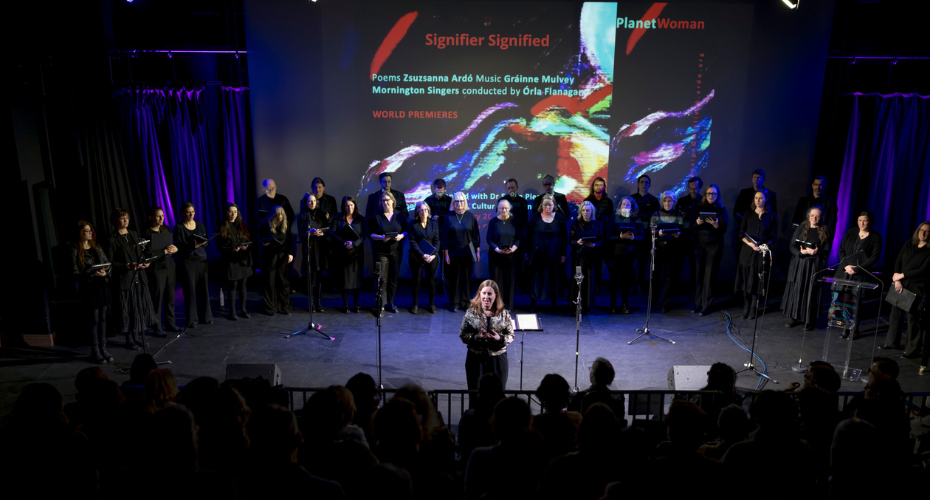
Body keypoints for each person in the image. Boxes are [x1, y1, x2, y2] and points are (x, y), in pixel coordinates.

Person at [108, 208, 157, 349]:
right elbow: (111, 262)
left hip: (139, 276)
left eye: (127, 218)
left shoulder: (134, 234)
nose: (126, 220)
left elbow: (139, 253)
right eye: (123, 218)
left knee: (138, 308)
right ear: (116, 220)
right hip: (125, 278)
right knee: (127, 309)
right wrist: (127, 266)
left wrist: (145, 261)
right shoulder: (112, 238)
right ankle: (129, 339)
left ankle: (137, 337)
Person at [832, 210, 883, 339]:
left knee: (856, 303)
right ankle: (845, 328)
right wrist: (846, 266)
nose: (862, 223)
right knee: (845, 301)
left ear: (870, 221)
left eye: (865, 220)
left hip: (860, 274)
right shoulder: (851, 232)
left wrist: (858, 268)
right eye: (860, 220)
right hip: (845, 272)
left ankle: (855, 329)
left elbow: (874, 257)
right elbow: (842, 249)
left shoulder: (876, 236)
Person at [883, 222, 929, 361]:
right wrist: (896, 279)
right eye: (921, 230)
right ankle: (891, 343)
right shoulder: (910, 244)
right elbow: (899, 261)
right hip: (900, 284)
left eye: (927, 232)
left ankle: (912, 350)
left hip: (917, 286)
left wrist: (902, 276)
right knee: (895, 314)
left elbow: (923, 269)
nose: (923, 234)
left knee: (913, 319)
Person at [781, 206, 831, 330]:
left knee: (811, 291)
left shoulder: (825, 230)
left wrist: (815, 253)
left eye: (817, 216)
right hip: (800, 263)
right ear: (808, 216)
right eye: (812, 215)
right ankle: (794, 316)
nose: (815, 218)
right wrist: (801, 253)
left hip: (814, 265)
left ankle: (809, 319)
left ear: (821, 217)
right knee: (797, 289)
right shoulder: (801, 227)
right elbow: (792, 245)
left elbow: (826, 249)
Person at [460, 280, 515, 391]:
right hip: (476, 359)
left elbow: (511, 335)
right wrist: (476, 337)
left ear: (496, 295)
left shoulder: (504, 313)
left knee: (497, 395)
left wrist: (499, 338)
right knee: (476, 395)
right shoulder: (471, 313)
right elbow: (463, 335)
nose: (486, 297)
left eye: (490, 294)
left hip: (498, 359)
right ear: (480, 293)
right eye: (484, 293)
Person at [72, 221, 113, 363]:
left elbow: (108, 264)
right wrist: (91, 274)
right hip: (90, 288)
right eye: (86, 231)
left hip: (102, 285)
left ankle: (103, 348)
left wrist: (105, 273)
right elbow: (74, 273)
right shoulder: (75, 250)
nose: (90, 233)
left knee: (103, 318)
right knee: (94, 319)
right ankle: (94, 351)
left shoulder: (97, 247)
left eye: (91, 230)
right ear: (80, 233)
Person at [735, 191, 777, 319]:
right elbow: (741, 233)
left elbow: (773, 235)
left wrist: (765, 245)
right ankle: (746, 306)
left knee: (757, 281)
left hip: (761, 252)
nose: (758, 200)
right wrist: (751, 245)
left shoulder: (771, 216)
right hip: (748, 251)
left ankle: (754, 307)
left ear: (766, 199)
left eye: (761, 198)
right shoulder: (748, 214)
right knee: (746, 279)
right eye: (756, 198)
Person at [525, 194, 567, 312]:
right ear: (541, 205)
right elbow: (528, 235)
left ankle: (553, 304)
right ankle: (533, 303)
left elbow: (564, 237)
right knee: (536, 279)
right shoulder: (535, 217)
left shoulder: (559, 218)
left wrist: (563, 254)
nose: (547, 207)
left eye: (550, 204)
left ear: (554, 205)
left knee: (553, 279)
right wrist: (526, 252)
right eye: (545, 205)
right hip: (538, 254)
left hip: (554, 254)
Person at [174, 202, 213, 327]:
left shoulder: (200, 225)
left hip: (201, 260)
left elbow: (206, 242)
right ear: (182, 213)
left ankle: (205, 317)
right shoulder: (178, 227)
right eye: (188, 212)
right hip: (188, 261)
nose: (191, 214)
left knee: (203, 289)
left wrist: (202, 243)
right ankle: (192, 320)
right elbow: (179, 246)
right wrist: (191, 245)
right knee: (190, 291)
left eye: (193, 212)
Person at [369, 191, 408, 314]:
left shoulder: (400, 215)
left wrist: (401, 236)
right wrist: (381, 237)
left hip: (396, 251)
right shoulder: (376, 216)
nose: (385, 202)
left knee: (393, 278)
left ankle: (391, 303)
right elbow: (370, 234)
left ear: (392, 201)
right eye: (383, 201)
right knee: (382, 279)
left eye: (387, 200)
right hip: (381, 252)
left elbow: (406, 231)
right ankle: (381, 304)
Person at [144, 207, 180, 335]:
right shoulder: (147, 233)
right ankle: (157, 326)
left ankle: (170, 323)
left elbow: (170, 245)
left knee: (170, 297)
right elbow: (148, 253)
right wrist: (163, 252)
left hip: (169, 265)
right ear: (151, 217)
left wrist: (175, 249)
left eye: (162, 216)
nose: (161, 219)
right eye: (158, 216)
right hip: (157, 268)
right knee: (157, 298)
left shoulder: (166, 229)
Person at [692, 184, 727, 315]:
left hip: (714, 244)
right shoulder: (699, 207)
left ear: (717, 195)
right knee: (699, 274)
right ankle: (698, 302)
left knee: (709, 275)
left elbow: (724, 228)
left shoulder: (721, 208)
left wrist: (717, 225)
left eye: (713, 194)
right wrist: (697, 223)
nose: (711, 196)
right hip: (700, 244)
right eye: (708, 193)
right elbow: (692, 226)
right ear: (705, 195)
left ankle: (706, 304)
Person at [443, 191, 480, 312]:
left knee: (466, 279)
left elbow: (476, 236)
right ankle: (454, 303)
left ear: (465, 203)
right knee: (454, 280)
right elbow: (445, 238)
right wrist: (446, 254)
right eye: (456, 201)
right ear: (453, 203)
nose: (459, 204)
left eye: (461, 201)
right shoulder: (448, 217)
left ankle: (465, 303)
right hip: (453, 253)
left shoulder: (471, 216)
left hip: (468, 254)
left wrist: (477, 251)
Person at [606, 196, 642, 314]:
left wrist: (634, 238)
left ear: (632, 207)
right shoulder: (613, 218)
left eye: (628, 205)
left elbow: (643, 236)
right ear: (620, 206)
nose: (625, 207)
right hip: (614, 256)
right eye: (623, 205)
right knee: (614, 282)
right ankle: (613, 305)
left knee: (627, 283)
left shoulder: (636, 219)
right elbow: (607, 236)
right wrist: (619, 237)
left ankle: (625, 305)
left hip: (630, 257)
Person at [651, 191, 686, 313]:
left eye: (670, 201)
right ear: (662, 202)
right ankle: (653, 304)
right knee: (655, 278)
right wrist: (658, 233)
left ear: (674, 202)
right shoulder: (656, 213)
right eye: (665, 201)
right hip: (658, 249)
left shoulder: (678, 215)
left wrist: (678, 235)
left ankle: (665, 304)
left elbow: (683, 231)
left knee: (668, 279)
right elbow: (651, 230)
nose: (667, 203)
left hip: (672, 250)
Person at [217, 202, 253, 320]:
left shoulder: (241, 225)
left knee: (243, 285)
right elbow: (220, 246)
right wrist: (232, 249)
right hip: (231, 260)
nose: (233, 214)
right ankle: (232, 312)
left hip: (243, 259)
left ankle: (243, 310)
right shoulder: (222, 226)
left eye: (235, 212)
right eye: (230, 212)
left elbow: (248, 238)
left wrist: (245, 246)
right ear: (226, 213)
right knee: (232, 285)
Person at [297, 193, 331, 313]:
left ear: (317, 202)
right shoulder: (302, 216)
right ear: (305, 203)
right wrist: (309, 233)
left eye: (313, 201)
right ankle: (311, 303)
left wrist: (322, 233)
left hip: (321, 247)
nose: (312, 203)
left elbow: (328, 229)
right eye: (309, 201)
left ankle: (319, 302)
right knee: (311, 277)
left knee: (320, 277)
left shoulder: (321, 214)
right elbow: (301, 235)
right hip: (310, 248)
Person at [331, 196, 365, 313]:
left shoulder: (360, 219)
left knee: (356, 279)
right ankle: (345, 304)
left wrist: (354, 243)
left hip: (356, 253)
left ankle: (356, 303)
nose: (349, 208)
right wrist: (343, 242)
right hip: (343, 252)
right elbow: (332, 233)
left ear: (354, 206)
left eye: (351, 205)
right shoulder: (338, 218)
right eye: (346, 206)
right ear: (343, 206)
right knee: (344, 280)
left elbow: (363, 236)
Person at [569, 201, 604, 314]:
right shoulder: (575, 223)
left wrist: (594, 245)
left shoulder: (597, 224)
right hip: (578, 257)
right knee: (577, 282)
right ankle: (575, 306)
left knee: (589, 283)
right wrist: (577, 242)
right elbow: (571, 240)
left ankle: (587, 306)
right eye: (583, 210)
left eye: (587, 210)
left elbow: (602, 241)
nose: (585, 212)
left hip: (591, 258)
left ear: (591, 212)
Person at [259, 206, 294, 315]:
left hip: (282, 256)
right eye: (277, 216)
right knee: (270, 281)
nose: (280, 218)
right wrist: (262, 242)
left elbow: (289, 240)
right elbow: (259, 238)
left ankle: (283, 307)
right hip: (269, 256)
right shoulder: (265, 223)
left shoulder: (285, 224)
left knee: (283, 282)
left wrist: (291, 253)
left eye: (281, 215)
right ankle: (270, 307)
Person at [486, 198, 521, 310]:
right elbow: (489, 238)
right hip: (496, 256)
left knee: (509, 282)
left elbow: (519, 237)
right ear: (498, 209)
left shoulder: (515, 221)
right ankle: (496, 305)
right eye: (501, 208)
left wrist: (514, 248)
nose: (503, 210)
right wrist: (497, 249)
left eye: (506, 208)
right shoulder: (493, 222)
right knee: (496, 281)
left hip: (511, 256)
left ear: (509, 209)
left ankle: (508, 305)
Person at [408, 201, 440, 314]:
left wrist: (433, 255)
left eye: (425, 210)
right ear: (417, 212)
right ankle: (415, 305)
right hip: (416, 257)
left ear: (428, 211)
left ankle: (431, 304)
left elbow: (437, 241)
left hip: (431, 258)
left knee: (430, 281)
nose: (423, 212)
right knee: (416, 281)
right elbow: (412, 242)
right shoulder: (412, 224)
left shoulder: (434, 224)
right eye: (421, 210)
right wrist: (422, 254)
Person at [676, 177, 703, 300]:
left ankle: (695, 290)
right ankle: (675, 289)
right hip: (682, 236)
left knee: (695, 266)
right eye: (691, 188)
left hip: (697, 238)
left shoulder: (704, 201)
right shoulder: (681, 201)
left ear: (699, 187)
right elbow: (676, 219)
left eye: (695, 188)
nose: (693, 190)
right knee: (678, 264)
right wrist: (681, 216)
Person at [583, 177, 612, 294]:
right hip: (589, 234)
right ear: (593, 187)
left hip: (602, 236)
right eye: (596, 185)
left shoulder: (608, 201)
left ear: (604, 187)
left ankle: (597, 286)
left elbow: (609, 218)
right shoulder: (588, 200)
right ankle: (587, 286)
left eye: (601, 185)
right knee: (588, 262)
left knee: (599, 263)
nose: (599, 187)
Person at [631, 174, 659, 294]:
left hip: (647, 236)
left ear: (649, 185)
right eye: (642, 182)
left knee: (643, 263)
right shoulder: (631, 199)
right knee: (632, 262)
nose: (644, 184)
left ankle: (641, 285)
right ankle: (632, 287)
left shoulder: (653, 201)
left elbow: (657, 218)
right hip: (633, 235)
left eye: (646, 182)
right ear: (638, 184)